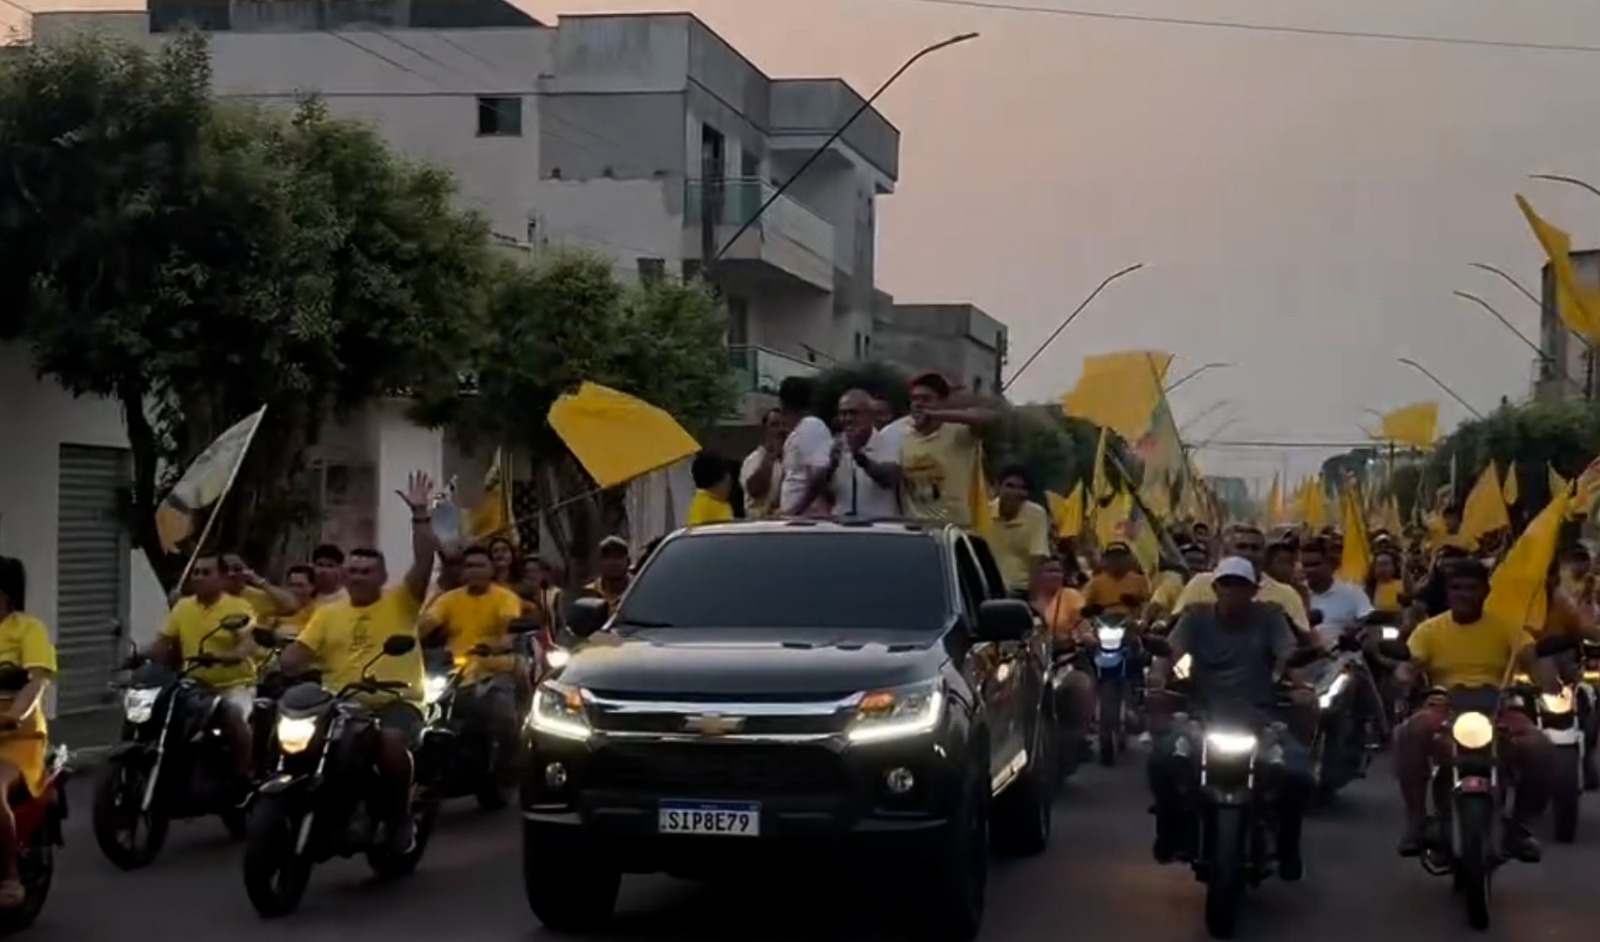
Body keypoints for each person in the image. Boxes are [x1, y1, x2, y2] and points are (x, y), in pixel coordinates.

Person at [280, 471, 438, 856]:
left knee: (389, 743)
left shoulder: (401, 600)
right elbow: (298, 654)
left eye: (366, 572)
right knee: (288, 731)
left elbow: (425, 559)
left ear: (382, 576)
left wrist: (420, 515)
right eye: (352, 571)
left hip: (395, 704)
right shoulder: (328, 613)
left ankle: (399, 818)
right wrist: (281, 662)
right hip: (339, 705)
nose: (357, 577)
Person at [1146, 557, 1312, 879]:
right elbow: (1170, 652)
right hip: (1202, 714)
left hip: (1260, 716)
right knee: (1162, 760)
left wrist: (1302, 685)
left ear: (1253, 590)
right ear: (1215, 588)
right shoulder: (1195, 617)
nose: (1232, 592)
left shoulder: (1271, 617)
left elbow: (1290, 657)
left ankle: (1289, 844)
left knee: (1298, 772)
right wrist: (1157, 678)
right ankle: (1168, 831)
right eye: (1226, 585)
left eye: (1240, 586)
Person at [1391, 559, 1557, 861]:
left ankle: (1519, 827)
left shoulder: (1508, 627)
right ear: (1447, 591)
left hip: (1498, 708)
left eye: (1471, 588)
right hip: (1445, 707)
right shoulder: (1429, 630)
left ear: (1485, 591)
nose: (1463, 594)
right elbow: (1409, 666)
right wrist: (1404, 678)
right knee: (1408, 731)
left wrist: (1547, 683)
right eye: (1456, 588)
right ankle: (1416, 822)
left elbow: (1533, 661)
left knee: (1541, 747)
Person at [150, 554, 259, 790]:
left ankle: (242, 777)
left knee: (235, 717)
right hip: (193, 685)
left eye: (206, 573)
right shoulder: (183, 606)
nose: (198, 577)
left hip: (234, 684)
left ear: (221, 577)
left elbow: (247, 644)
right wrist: (141, 659)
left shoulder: (238, 607)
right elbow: (163, 641)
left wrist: (227, 657)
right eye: (196, 573)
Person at [420, 544, 523, 769]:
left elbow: (510, 632)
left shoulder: (505, 598)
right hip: (452, 674)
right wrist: (408, 637)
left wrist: (497, 646)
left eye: (480, 565)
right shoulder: (448, 599)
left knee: (503, 716)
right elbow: (426, 624)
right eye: (469, 566)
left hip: (493, 671)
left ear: (491, 570)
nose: (474, 571)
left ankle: (508, 767)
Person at [0, 557, 55, 909]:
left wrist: (15, 717)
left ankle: (8, 875)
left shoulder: (28, 629)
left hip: (14, 739)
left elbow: (37, 680)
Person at [1174, 526, 1312, 638]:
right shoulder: (1200, 584)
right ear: (1226, 553)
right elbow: (1176, 626)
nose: (1248, 553)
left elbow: (1300, 640)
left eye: (1254, 548)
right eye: (1241, 547)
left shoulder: (1286, 595)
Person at [898, 373, 995, 527]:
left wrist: (935, 414)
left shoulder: (959, 432)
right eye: (915, 399)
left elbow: (988, 417)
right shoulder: (904, 436)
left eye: (926, 399)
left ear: (942, 403)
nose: (918, 404)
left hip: (955, 530)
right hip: (917, 529)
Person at [829, 389, 901, 520]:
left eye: (854, 413)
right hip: (842, 527)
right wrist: (830, 466)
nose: (848, 419)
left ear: (870, 415)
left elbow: (889, 479)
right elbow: (823, 492)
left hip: (880, 528)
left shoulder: (888, 442)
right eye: (843, 413)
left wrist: (859, 456)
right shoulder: (834, 445)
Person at [775, 377, 835, 517]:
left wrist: (796, 510)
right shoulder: (797, 430)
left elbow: (819, 472)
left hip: (807, 518)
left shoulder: (811, 426)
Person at [1300, 538, 1376, 647]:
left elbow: (1368, 622)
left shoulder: (1353, 593)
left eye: (1316, 564)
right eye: (1306, 565)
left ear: (1330, 565)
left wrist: (1355, 632)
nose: (1310, 570)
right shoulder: (1294, 595)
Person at [990, 465, 1050, 593]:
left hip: (1020, 590)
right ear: (997, 488)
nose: (1015, 492)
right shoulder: (983, 512)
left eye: (1021, 488)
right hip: (985, 587)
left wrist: (1033, 597)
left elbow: (1037, 559)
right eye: (1009, 486)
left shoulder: (1036, 515)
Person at [739, 408, 786, 519]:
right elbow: (755, 491)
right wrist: (770, 459)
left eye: (784, 424)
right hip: (761, 528)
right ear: (765, 430)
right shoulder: (753, 460)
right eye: (775, 425)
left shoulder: (793, 458)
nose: (781, 429)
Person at [1082, 542, 1149, 618]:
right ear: (1105, 560)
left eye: (1121, 558)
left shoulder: (1140, 581)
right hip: (1103, 622)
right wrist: (1090, 610)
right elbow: (1083, 604)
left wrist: (1136, 601)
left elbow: (1147, 603)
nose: (1117, 561)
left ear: (1130, 559)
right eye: (1113, 558)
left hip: (1132, 622)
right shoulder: (1094, 584)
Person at [222, 553, 296, 621]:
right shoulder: (213, 595)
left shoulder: (254, 595)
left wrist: (260, 582)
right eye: (224, 569)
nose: (231, 574)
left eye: (237, 569)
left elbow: (291, 605)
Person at [687, 452, 737, 526]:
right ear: (719, 482)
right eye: (728, 480)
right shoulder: (705, 507)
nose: (730, 486)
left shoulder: (715, 500)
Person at [586, 537, 632, 605]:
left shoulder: (638, 588)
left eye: (618, 557)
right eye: (608, 558)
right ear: (599, 562)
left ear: (628, 561)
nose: (614, 563)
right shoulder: (590, 593)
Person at [1367, 548, 1407, 615]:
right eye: (1379, 564)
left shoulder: (1403, 586)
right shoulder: (1369, 589)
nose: (1382, 568)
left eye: (1386, 564)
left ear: (1394, 567)